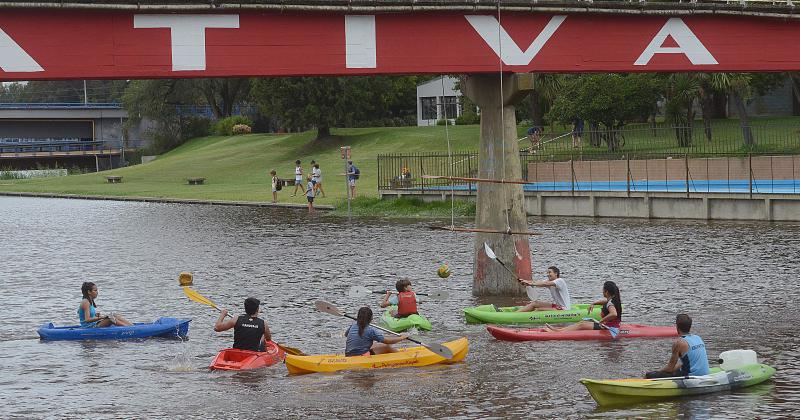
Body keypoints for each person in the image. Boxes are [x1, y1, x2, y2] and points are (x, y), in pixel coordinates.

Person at [645, 314, 710, 379]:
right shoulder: (697, 337)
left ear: (677, 327)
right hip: (705, 373)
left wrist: (658, 372)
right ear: (690, 326)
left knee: (649, 375)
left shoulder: (679, 343)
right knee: (677, 368)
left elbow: (670, 368)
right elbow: (685, 363)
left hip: (691, 376)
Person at [544, 281, 621, 332]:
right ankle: (560, 330)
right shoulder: (612, 299)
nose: (602, 291)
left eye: (603, 289)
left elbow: (613, 314)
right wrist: (593, 303)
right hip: (610, 325)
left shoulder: (610, 304)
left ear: (606, 292)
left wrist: (601, 321)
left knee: (582, 325)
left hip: (608, 327)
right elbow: (605, 301)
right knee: (582, 322)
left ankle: (558, 332)